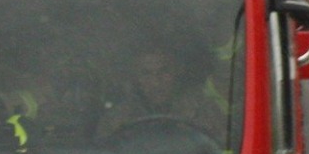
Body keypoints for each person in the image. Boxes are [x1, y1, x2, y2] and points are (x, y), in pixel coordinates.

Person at [96, 48, 227, 141]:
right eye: (146, 74)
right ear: (135, 77)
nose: (156, 82)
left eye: (164, 71)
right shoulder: (118, 118)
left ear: (177, 71)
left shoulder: (202, 109)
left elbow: (218, 153)